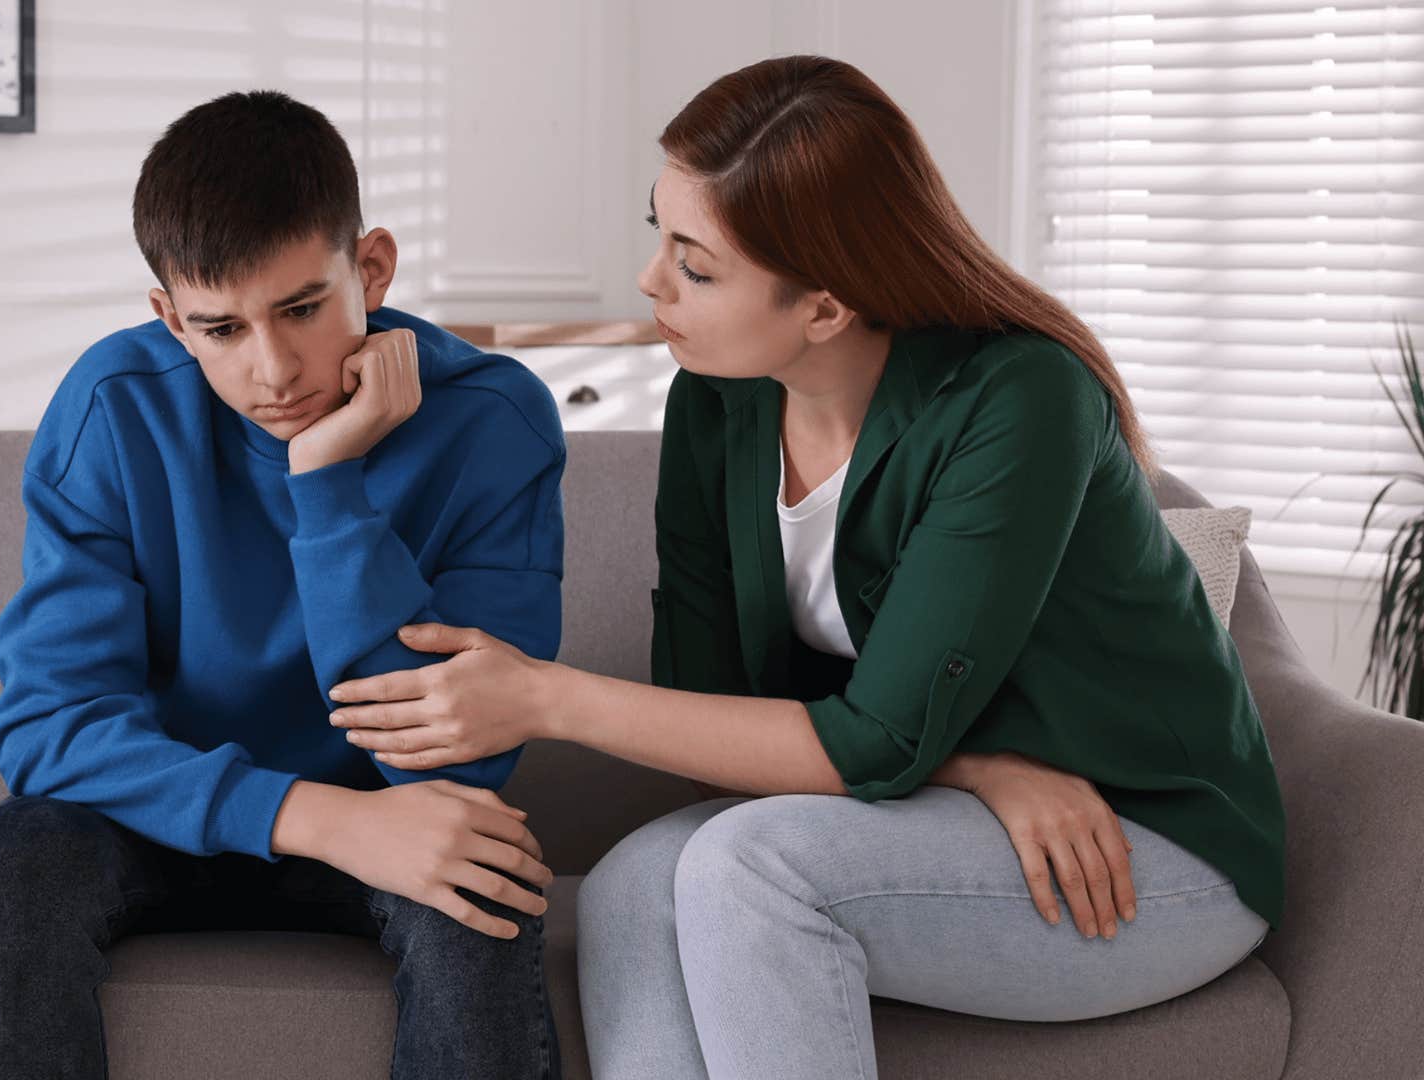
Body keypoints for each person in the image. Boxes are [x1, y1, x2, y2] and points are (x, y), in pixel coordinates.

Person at [324, 55, 1286, 1080]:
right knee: (631, 883)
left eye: (696, 266)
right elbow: (715, 709)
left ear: (824, 308)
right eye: (659, 231)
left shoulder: (1020, 402)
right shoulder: (718, 397)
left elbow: (871, 739)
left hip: (1146, 844)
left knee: (751, 868)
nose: (652, 281)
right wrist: (975, 766)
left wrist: (542, 699)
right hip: (951, 803)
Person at [0, 89, 567, 1080]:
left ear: (372, 268)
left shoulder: (494, 423)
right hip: (161, 817)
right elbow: (48, 729)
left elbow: (453, 768)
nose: (272, 370)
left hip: (391, 814)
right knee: (22, 859)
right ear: (168, 318)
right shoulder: (114, 408)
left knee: (481, 877)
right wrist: (321, 820)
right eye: (220, 329)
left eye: (303, 310)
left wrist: (327, 481)